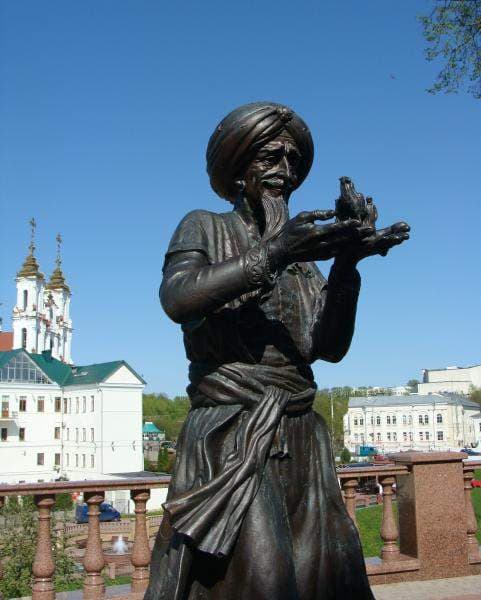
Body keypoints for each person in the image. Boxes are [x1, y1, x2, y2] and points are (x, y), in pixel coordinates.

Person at [145, 102, 410, 600]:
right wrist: (276, 251)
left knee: (328, 581)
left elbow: (327, 349)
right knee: (264, 584)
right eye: (270, 158)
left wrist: (348, 263)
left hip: (303, 436)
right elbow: (178, 298)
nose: (284, 172)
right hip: (233, 432)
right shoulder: (204, 225)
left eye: (292, 161)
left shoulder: (301, 261)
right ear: (240, 169)